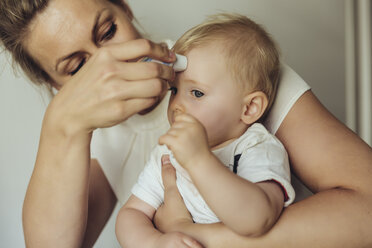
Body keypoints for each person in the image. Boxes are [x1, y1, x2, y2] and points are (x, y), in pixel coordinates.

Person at [0, 0, 371, 247]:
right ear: (56, 87)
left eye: (108, 31)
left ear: (124, 8)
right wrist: (61, 125)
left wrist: (193, 236)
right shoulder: (95, 139)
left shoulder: (230, 68)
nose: (107, 69)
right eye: (77, 68)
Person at [115, 13, 296, 248]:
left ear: (249, 108)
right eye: (174, 90)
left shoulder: (256, 147)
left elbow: (257, 219)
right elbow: (132, 213)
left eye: (197, 93)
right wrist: (155, 242)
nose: (177, 104)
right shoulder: (167, 152)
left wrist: (199, 160)